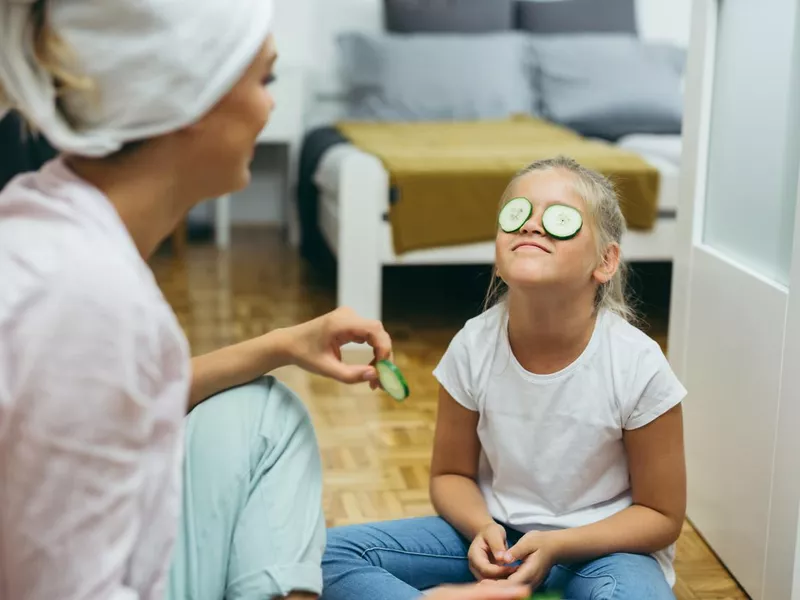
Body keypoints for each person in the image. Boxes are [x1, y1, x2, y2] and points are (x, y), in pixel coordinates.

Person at [0, 2, 533, 600]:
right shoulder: (86, 301)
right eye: (264, 79)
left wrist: (285, 344)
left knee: (263, 416)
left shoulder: (45, 220)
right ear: (189, 104)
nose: (271, 105)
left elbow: (114, 402)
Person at [320, 156, 688, 600]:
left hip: (599, 551)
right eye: (516, 216)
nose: (531, 227)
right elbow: (450, 475)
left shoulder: (638, 364)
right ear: (497, 257)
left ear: (605, 262)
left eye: (560, 218)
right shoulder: (473, 345)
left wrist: (559, 544)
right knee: (325, 555)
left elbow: (661, 514)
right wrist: (482, 529)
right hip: (498, 536)